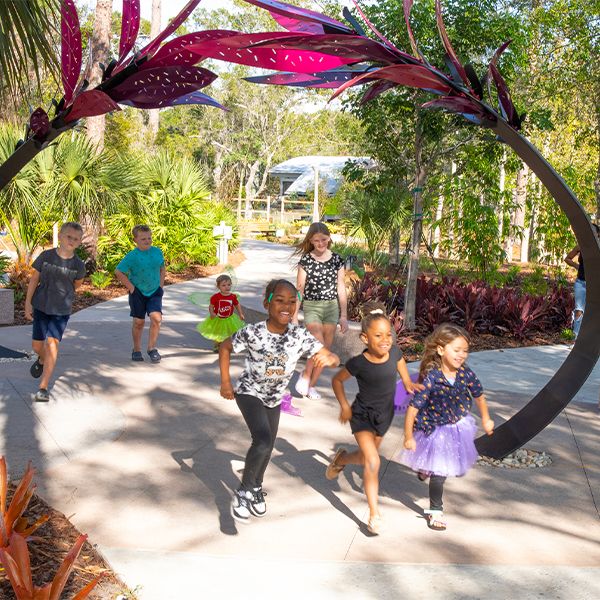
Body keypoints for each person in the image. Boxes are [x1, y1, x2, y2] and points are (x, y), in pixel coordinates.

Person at [219, 278, 340, 523]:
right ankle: (243, 492)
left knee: (268, 445)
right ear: (267, 303)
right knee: (262, 440)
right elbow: (225, 347)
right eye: (280, 301)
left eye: (292, 302)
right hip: (249, 391)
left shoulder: (299, 335)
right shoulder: (252, 332)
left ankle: (255, 487)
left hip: (274, 397)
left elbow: (328, 354)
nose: (287, 306)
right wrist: (225, 382)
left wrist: (331, 359)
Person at [326, 303, 422, 535]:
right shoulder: (359, 363)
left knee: (364, 458)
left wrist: (407, 383)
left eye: (388, 334)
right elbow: (337, 380)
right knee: (373, 462)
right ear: (365, 338)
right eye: (378, 335)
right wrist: (344, 407)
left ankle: (342, 459)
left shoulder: (395, 353)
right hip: (362, 416)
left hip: (384, 416)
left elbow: (399, 361)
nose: (385, 339)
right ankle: (373, 514)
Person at [400, 323, 494, 531]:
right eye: (456, 350)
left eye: (465, 351)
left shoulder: (466, 374)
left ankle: (427, 468)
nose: (462, 355)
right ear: (441, 350)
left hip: (458, 426)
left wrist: (486, 418)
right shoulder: (433, 378)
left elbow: (479, 396)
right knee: (440, 473)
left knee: (455, 470)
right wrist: (408, 436)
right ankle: (435, 510)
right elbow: (413, 408)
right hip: (434, 429)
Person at [25, 222, 86, 402]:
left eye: (76, 239)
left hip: (61, 310)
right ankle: (42, 360)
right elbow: (34, 279)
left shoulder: (78, 265)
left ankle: (43, 387)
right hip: (41, 306)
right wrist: (28, 303)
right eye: (69, 236)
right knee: (37, 346)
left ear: (79, 242)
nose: (72, 241)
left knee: (52, 344)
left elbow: (77, 285)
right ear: (60, 236)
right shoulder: (46, 256)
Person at [293, 222, 348, 400]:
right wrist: (294, 315)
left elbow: (341, 287)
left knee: (325, 348)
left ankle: (312, 386)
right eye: (316, 240)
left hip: (331, 307)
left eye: (323, 239)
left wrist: (344, 316)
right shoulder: (306, 260)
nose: (320, 243)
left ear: (329, 238)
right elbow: (299, 289)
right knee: (318, 344)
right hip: (312, 306)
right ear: (310, 240)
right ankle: (306, 375)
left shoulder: (338, 260)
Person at [114, 225, 166, 363]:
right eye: (143, 238)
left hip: (154, 291)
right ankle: (136, 349)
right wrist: (131, 288)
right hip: (137, 292)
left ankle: (152, 348)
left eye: (149, 238)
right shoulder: (132, 256)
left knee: (156, 318)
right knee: (139, 322)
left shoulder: (157, 252)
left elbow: (162, 268)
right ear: (135, 240)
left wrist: (160, 286)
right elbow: (118, 271)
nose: (147, 240)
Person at [564, 223, 600, 339]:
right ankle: (576, 338)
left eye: (593, 231)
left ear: (598, 234)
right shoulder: (581, 246)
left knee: (593, 311)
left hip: (594, 284)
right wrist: (576, 266)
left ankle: (591, 338)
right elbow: (567, 258)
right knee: (579, 309)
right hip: (580, 282)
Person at [197, 274, 245, 351]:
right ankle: (217, 345)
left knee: (229, 333)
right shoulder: (215, 297)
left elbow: (237, 305)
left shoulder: (232, 296)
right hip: (218, 318)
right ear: (218, 287)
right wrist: (212, 313)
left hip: (230, 318)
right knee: (218, 333)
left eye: (229, 285)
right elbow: (211, 306)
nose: (227, 287)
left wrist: (240, 314)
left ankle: (227, 345)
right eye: (224, 285)